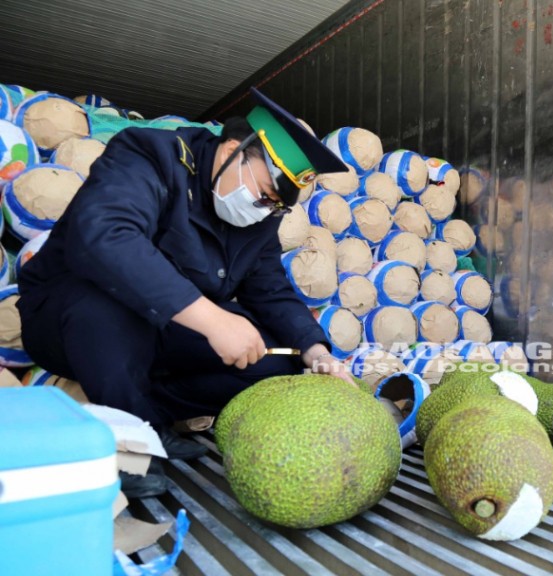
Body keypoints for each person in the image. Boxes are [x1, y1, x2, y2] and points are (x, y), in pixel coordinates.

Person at [17, 88, 356, 497]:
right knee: (105, 302)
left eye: (274, 206)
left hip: (162, 333)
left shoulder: (259, 218)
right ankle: (128, 446)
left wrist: (314, 350)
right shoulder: (149, 156)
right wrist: (212, 319)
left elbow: (269, 288)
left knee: (274, 364)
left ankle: (148, 419)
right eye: (264, 193)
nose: (264, 209)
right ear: (234, 148)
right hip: (72, 322)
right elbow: (106, 237)